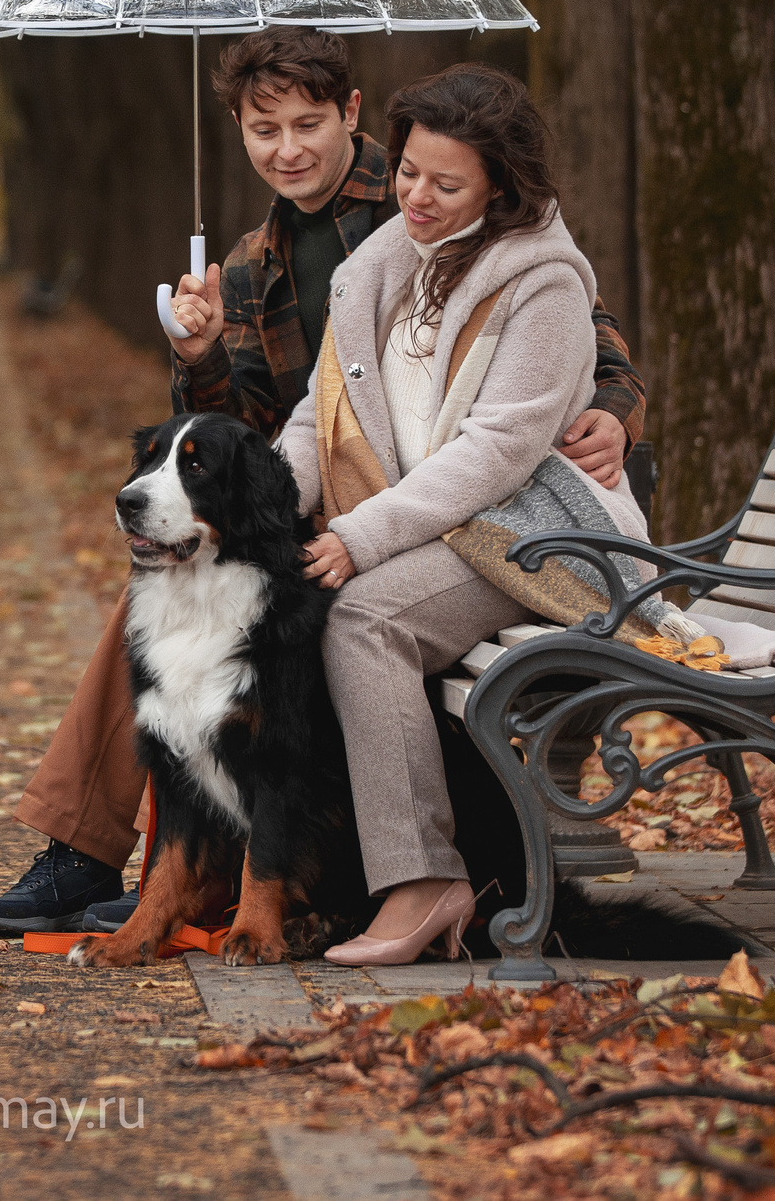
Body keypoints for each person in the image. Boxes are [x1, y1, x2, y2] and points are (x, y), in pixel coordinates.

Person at [0, 31, 647, 937]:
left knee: (222, 610)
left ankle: (163, 864)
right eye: (263, 128)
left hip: (433, 508)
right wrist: (200, 354)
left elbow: (578, 342)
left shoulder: (423, 198)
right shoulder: (254, 263)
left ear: (352, 114)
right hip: (317, 492)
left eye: (307, 123)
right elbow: (244, 432)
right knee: (169, 584)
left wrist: (616, 408)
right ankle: (101, 851)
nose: (287, 147)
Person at [280, 62, 643, 963]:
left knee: (363, 619)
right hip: (449, 535)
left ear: (501, 186)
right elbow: (317, 414)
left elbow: (497, 456)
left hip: (537, 536)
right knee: (293, 606)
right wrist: (252, 503)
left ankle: (424, 879)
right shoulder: (383, 268)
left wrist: (360, 535)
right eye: (407, 172)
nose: (417, 196)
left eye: (446, 184)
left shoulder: (545, 287)